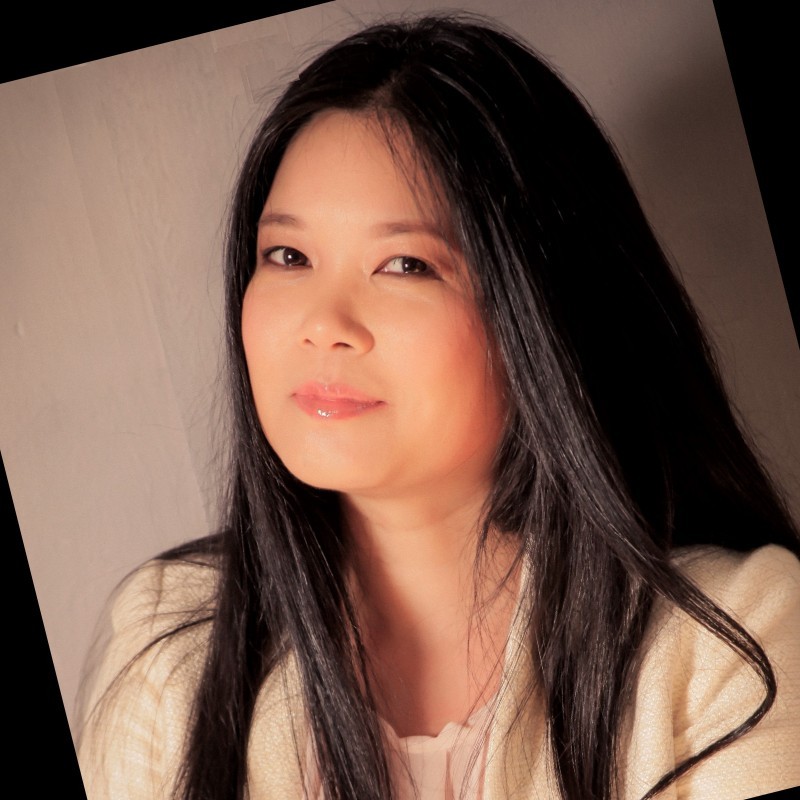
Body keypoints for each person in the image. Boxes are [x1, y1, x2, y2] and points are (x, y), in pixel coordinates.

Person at [75, 14, 800, 800]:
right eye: (288, 255)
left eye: (405, 265)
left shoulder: (734, 640)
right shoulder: (170, 648)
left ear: (541, 309)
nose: (323, 323)